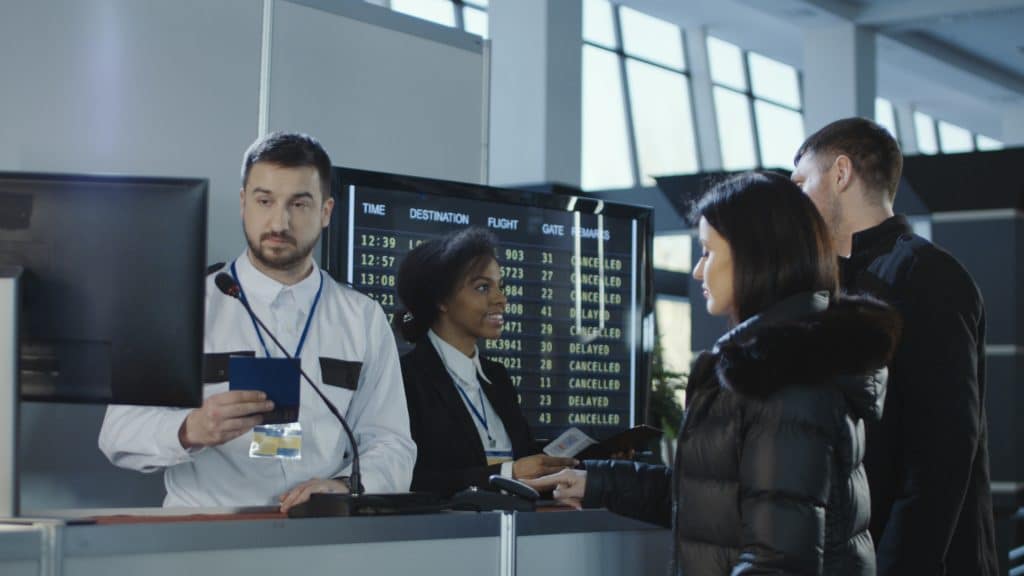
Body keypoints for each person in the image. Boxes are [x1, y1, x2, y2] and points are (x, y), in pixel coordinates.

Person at [527, 172, 901, 575]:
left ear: (754, 255)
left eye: (707, 252)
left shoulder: (786, 377)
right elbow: (719, 499)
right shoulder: (783, 362)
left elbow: (779, 563)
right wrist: (597, 480)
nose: (697, 271)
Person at [99, 132, 416, 511]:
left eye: (299, 204)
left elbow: (392, 442)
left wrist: (346, 486)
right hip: (203, 535)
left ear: (326, 212)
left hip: (321, 532)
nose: (279, 222)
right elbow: (116, 432)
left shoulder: (362, 317)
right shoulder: (182, 307)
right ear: (242, 203)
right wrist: (189, 429)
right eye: (264, 200)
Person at [792, 117, 999, 575]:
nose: (796, 202)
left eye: (802, 182)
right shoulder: (831, 285)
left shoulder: (926, 275)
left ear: (841, 173)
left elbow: (943, 451)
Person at [395, 227, 576, 497]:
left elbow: (525, 459)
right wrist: (507, 474)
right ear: (441, 299)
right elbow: (407, 479)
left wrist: (581, 461)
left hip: (513, 529)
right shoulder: (405, 377)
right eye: (483, 288)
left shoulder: (496, 376)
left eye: (500, 287)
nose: (501, 299)